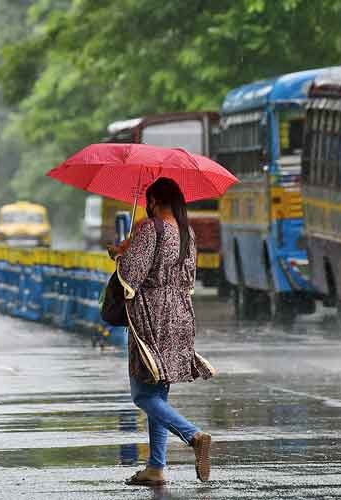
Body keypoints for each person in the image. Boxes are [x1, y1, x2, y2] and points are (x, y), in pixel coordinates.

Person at [108, 177, 215, 486]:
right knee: (157, 393)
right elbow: (188, 277)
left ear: (153, 200)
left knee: (142, 394)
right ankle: (155, 467)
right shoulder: (186, 232)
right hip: (180, 315)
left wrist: (120, 253)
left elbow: (131, 276)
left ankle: (193, 436)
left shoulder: (151, 229)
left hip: (151, 317)